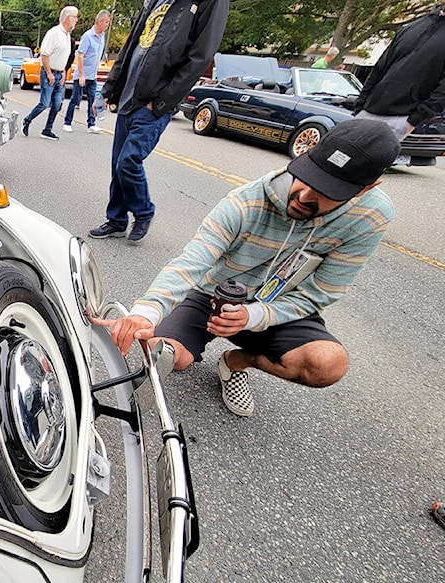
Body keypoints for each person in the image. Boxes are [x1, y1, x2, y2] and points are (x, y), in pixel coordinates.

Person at [92, 120, 400, 417]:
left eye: (328, 191)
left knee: (328, 364)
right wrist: (146, 312)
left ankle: (236, 362)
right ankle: (176, 350)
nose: (305, 195)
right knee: (165, 352)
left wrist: (254, 316)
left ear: (365, 189)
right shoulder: (246, 202)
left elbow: (321, 292)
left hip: (276, 304)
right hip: (210, 294)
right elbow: (191, 262)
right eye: (309, 174)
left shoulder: (371, 216)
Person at [89, 0, 229, 242]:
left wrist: (164, 101)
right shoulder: (154, 1)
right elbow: (131, 45)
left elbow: (201, 57)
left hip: (153, 101)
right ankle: (117, 220)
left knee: (128, 161)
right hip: (128, 97)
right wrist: (109, 87)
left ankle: (143, 212)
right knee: (117, 165)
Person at [353, 3, 445, 165]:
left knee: (362, 171)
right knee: (337, 164)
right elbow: (379, 68)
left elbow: (443, 91)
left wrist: (415, 119)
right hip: (367, 111)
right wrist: (360, 105)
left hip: (401, 118)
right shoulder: (413, 26)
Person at [21, 6, 79, 140]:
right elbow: (45, 54)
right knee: (44, 103)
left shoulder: (67, 35)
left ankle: (47, 130)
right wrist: (49, 73)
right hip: (49, 73)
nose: (76, 20)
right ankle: (27, 120)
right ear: (68, 18)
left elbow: (63, 56)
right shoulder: (54, 33)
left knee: (58, 104)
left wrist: (64, 71)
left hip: (59, 74)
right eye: (75, 17)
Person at [62, 10, 111, 134]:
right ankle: (67, 122)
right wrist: (82, 75)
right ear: (99, 21)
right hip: (82, 75)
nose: (107, 25)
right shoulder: (88, 36)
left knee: (92, 100)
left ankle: (91, 124)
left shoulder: (103, 36)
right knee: (75, 99)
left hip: (93, 75)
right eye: (106, 22)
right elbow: (81, 56)